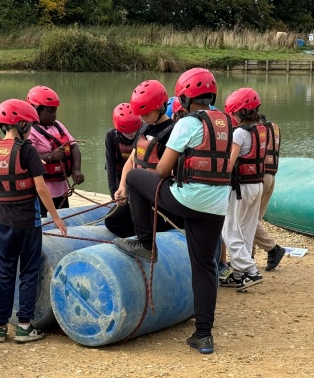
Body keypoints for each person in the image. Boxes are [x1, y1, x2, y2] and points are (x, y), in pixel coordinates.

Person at [113, 68, 233, 354]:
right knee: (205, 266)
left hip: (187, 199)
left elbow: (163, 169)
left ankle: (146, 244)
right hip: (217, 204)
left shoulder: (187, 124)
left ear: (184, 98)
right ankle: (203, 335)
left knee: (134, 178)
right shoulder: (227, 122)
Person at [0, 99, 67, 343]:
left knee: (4, 272)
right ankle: (24, 326)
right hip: (28, 223)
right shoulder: (27, 150)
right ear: (22, 124)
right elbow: (41, 188)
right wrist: (56, 217)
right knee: (29, 272)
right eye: (29, 124)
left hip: (1, 222)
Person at [104, 79, 181, 238]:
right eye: (140, 114)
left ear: (161, 107)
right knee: (112, 221)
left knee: (151, 223)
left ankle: (150, 236)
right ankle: (140, 233)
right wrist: (122, 186)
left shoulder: (173, 132)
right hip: (139, 194)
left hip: (159, 197)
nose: (143, 117)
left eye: (146, 113)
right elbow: (132, 160)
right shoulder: (143, 128)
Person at [220, 88, 266, 291]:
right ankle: (240, 273)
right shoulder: (261, 129)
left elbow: (229, 163)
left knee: (229, 230)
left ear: (242, 112)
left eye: (234, 113)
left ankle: (251, 270)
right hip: (257, 184)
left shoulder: (239, 133)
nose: (233, 117)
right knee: (246, 229)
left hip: (241, 188)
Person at [26, 85, 84, 215]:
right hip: (43, 191)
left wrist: (76, 170)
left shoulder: (58, 126)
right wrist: (50, 156)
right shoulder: (30, 132)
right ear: (35, 110)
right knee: (47, 222)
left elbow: (74, 146)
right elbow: (27, 158)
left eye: (55, 111)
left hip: (61, 190)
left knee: (63, 219)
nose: (54, 115)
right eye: (50, 112)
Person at [254, 115, 285, 270]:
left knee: (249, 221)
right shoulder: (274, 128)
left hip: (259, 177)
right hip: (271, 176)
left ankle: (273, 248)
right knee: (255, 220)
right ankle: (248, 255)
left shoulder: (257, 129)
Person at [105, 102, 142, 199]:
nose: (132, 134)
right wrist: (113, 194)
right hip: (119, 173)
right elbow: (110, 165)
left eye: (134, 130)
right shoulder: (111, 136)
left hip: (139, 174)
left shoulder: (144, 132)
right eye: (127, 132)